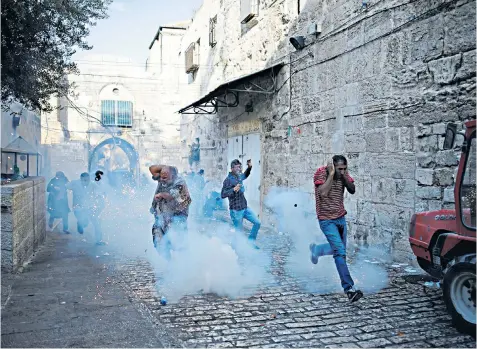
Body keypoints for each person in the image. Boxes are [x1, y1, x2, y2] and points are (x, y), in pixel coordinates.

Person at [309, 155, 363, 302]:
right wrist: (332, 175)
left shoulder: (344, 174)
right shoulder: (321, 173)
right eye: (339, 169)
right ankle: (349, 289)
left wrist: (344, 176)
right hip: (326, 220)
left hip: (340, 217)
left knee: (338, 250)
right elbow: (323, 192)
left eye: (345, 168)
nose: (342, 171)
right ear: (333, 166)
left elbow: (352, 190)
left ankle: (317, 250)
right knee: (340, 252)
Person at [149, 164, 192, 253]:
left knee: (178, 243)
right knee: (158, 241)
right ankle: (165, 262)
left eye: (165, 178)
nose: (161, 180)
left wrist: (161, 195)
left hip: (177, 216)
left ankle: (182, 263)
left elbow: (173, 196)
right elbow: (152, 169)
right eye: (161, 177)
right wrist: (166, 168)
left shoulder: (180, 182)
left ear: (173, 176)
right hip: (162, 216)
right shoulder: (163, 178)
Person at [221, 159, 260, 248]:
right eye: (237, 167)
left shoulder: (239, 177)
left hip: (244, 207)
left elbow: (245, 175)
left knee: (257, 223)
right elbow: (223, 194)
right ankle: (235, 249)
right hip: (235, 211)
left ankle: (251, 243)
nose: (239, 169)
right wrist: (233, 189)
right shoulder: (228, 180)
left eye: (240, 167)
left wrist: (249, 167)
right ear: (232, 168)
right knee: (239, 232)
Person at [66, 172, 106, 245]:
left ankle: (98, 240)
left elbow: (99, 191)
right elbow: (66, 186)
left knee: (96, 223)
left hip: (89, 206)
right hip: (77, 207)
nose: (86, 182)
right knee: (83, 222)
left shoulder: (92, 184)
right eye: (84, 180)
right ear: (80, 179)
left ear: (89, 179)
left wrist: (100, 195)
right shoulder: (75, 183)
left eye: (87, 180)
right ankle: (79, 223)